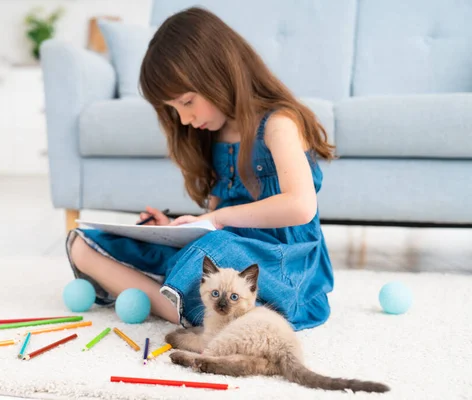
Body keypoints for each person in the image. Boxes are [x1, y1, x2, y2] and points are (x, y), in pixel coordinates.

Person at [67, 7, 335, 331]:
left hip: (280, 266)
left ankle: (183, 304)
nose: (183, 119)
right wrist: (172, 229)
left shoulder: (278, 124)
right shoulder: (211, 135)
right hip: (222, 256)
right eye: (174, 109)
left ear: (217, 73)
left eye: (187, 102)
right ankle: (180, 303)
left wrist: (217, 220)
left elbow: (300, 206)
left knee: (210, 254)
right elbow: (214, 216)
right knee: (85, 244)